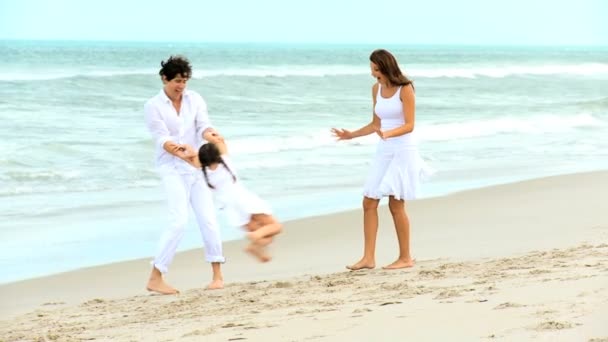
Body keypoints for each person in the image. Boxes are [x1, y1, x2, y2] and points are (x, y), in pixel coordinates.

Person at [331, 49, 432, 270]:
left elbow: (409, 124)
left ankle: (405, 257)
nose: (373, 74)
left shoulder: (405, 89)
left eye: (376, 69)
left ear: (387, 67)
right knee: (369, 201)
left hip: (403, 150)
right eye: (371, 69)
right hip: (384, 150)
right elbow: (376, 125)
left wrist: (389, 134)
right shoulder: (376, 89)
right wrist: (351, 135)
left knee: (396, 204)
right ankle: (368, 258)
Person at [144, 55, 225, 294]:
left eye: (185, 81)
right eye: (177, 81)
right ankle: (156, 277)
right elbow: (161, 138)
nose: (181, 86)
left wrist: (211, 135)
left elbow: (203, 126)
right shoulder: (153, 106)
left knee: (208, 219)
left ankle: (217, 275)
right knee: (178, 221)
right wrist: (182, 154)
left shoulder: (195, 99)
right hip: (171, 168)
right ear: (164, 78)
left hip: (195, 166)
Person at [181, 139, 282, 262]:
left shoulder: (202, 171)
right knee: (276, 227)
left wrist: (187, 151)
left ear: (202, 159)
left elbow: (190, 159)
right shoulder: (226, 163)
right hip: (244, 200)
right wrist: (208, 134)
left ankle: (254, 246)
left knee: (267, 235)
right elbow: (219, 140)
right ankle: (255, 238)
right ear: (217, 154)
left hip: (230, 207)